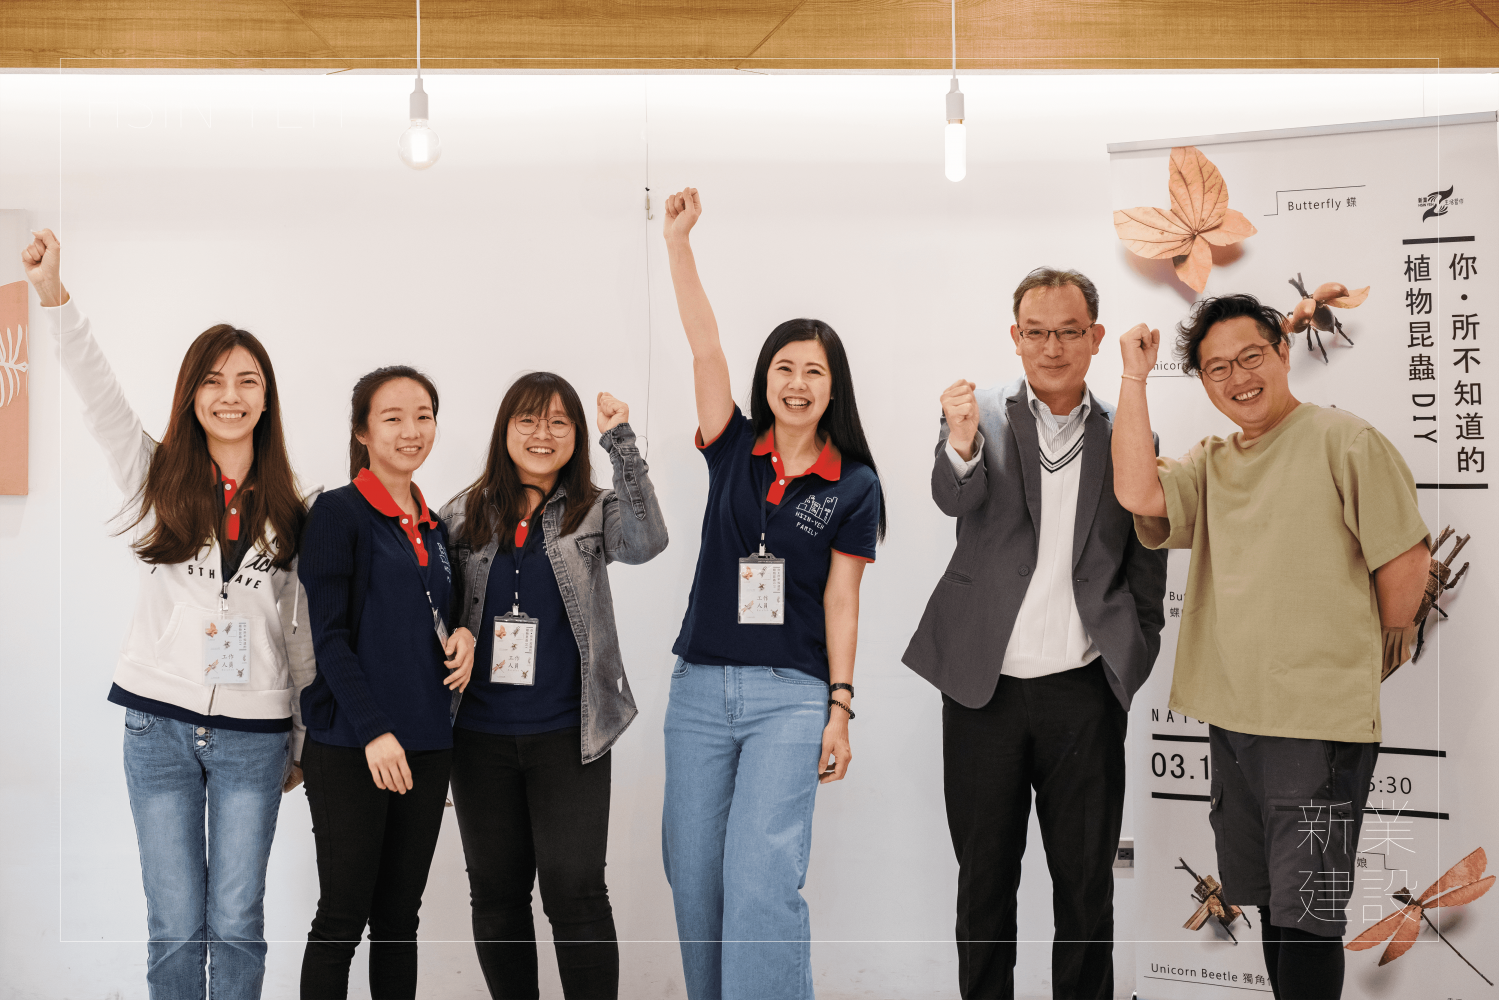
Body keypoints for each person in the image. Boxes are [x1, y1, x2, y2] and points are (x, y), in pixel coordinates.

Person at [1110, 294, 1431, 1000]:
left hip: (1314, 727)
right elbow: (1138, 492)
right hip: (1235, 721)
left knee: (1309, 915)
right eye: (1217, 368)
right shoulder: (1213, 460)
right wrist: (1133, 376)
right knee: (1272, 907)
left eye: (1250, 356)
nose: (1238, 377)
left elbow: (1405, 561)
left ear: (1283, 352)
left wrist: (1352, 658)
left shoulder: (1345, 441)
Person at [22, 228, 315, 999]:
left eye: (247, 380)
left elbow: (302, 637)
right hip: (156, 728)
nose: (230, 395)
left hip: (255, 736)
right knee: (175, 923)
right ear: (191, 394)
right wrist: (53, 295)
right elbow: (99, 395)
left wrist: (299, 738)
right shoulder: (153, 474)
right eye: (213, 380)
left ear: (266, 398)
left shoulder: (295, 508)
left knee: (237, 919)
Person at [902, 267, 1169, 1000]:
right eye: (1037, 332)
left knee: (1085, 888)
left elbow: (1146, 559)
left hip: (1083, 692)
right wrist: (960, 442)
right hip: (981, 691)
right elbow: (951, 495)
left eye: (1068, 332)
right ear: (1015, 337)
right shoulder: (978, 414)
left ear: (1095, 337)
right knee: (983, 882)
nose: (1052, 347)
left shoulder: (1127, 429)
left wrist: (1132, 655)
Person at [659, 187, 885, 1000]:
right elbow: (704, 347)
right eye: (784, 368)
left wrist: (840, 707)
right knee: (694, 881)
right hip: (697, 691)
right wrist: (678, 245)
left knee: (760, 882)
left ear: (832, 388)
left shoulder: (853, 484)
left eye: (812, 372)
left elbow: (841, 602)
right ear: (766, 378)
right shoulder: (732, 446)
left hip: (790, 698)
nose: (796, 382)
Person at [438, 374, 668, 1000]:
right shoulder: (460, 514)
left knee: (576, 892)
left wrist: (621, 440)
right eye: (528, 420)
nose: (543, 434)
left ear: (576, 435)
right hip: (477, 736)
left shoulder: (595, 509)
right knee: (496, 895)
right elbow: (432, 609)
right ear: (504, 429)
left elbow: (647, 541)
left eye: (559, 422)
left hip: (572, 733)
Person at [296, 365, 476, 1000]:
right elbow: (329, 638)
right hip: (353, 745)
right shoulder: (337, 514)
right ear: (362, 432)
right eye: (393, 418)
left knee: (400, 922)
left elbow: (435, 617)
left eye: (423, 416)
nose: (411, 431)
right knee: (342, 917)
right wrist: (375, 731)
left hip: (426, 744)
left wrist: (465, 634)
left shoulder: (436, 525)